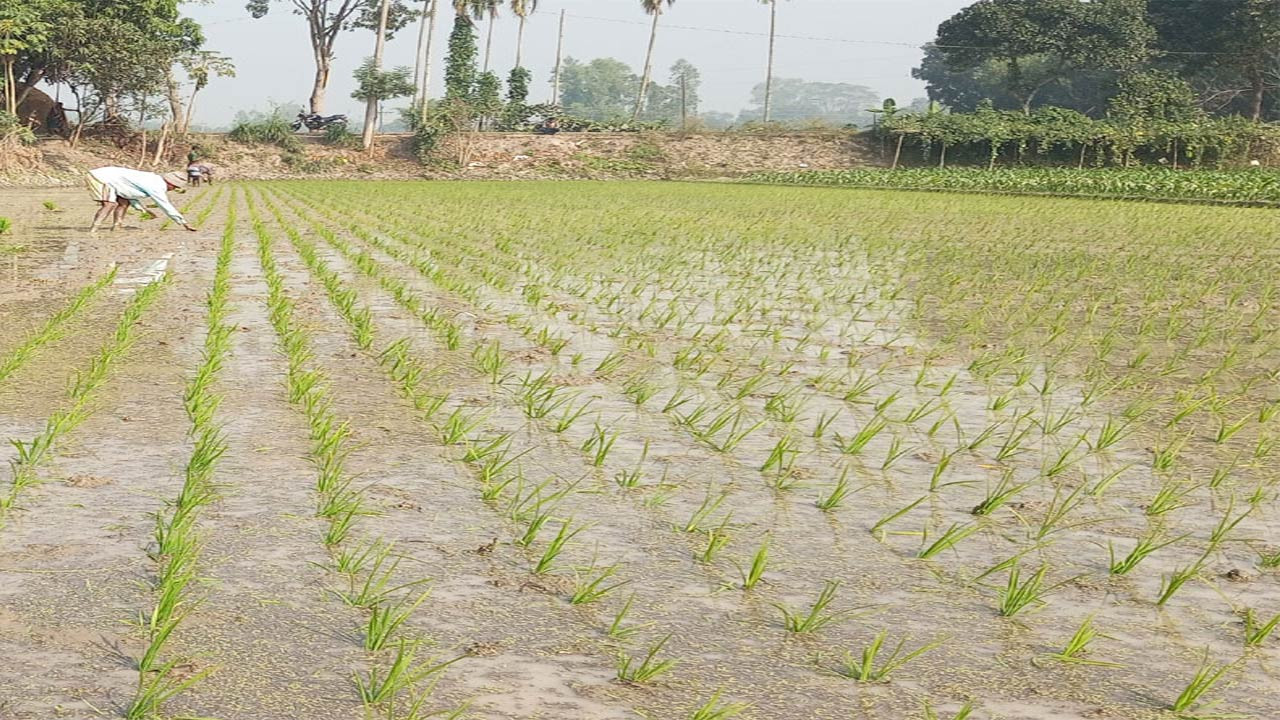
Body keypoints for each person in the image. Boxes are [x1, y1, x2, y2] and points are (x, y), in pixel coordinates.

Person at [87, 166, 197, 233]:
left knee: (124, 203)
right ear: (171, 184)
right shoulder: (157, 185)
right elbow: (165, 205)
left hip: (113, 180)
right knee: (109, 204)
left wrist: (144, 210)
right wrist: (183, 223)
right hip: (101, 177)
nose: (173, 190)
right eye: (175, 188)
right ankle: (94, 229)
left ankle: (117, 226)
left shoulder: (154, 179)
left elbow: (130, 195)